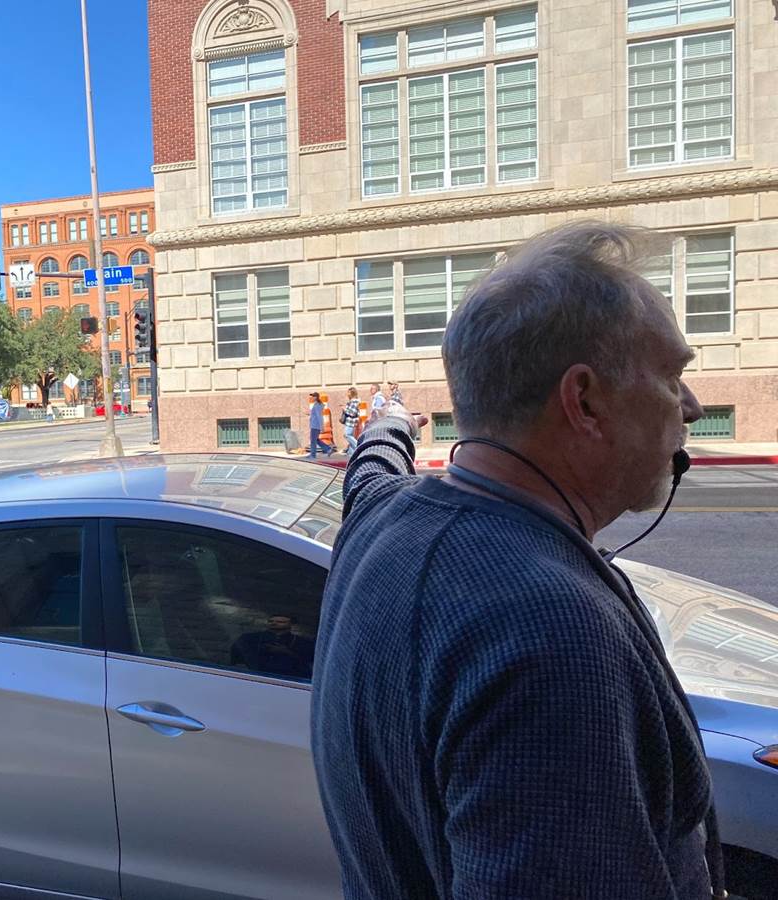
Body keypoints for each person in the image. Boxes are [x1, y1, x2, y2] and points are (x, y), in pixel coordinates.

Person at [311, 222, 720, 899]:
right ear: (584, 401)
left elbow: (370, 471)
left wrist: (389, 424)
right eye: (673, 375)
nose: (692, 407)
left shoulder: (381, 519)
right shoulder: (550, 633)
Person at [230, 614, 315, 680]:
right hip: (252, 675)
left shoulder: (302, 642)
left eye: (280, 622)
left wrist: (286, 652)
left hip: (287, 678)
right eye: (271, 621)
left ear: (291, 625)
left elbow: (307, 661)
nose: (274, 623)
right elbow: (237, 653)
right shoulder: (250, 638)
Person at [307, 391, 333, 459]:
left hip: (315, 425)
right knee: (316, 440)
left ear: (316, 397)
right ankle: (328, 449)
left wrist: (322, 427)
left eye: (313, 396)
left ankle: (313, 455)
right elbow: (317, 415)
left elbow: (319, 416)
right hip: (315, 425)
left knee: (313, 440)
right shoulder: (317, 405)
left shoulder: (317, 405)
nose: (311, 397)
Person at [341, 387, 361, 455]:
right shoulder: (351, 401)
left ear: (352, 393)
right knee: (350, 435)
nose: (347, 394)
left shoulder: (355, 402)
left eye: (348, 392)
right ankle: (351, 453)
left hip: (351, 422)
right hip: (349, 421)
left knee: (347, 435)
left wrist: (344, 409)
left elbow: (352, 413)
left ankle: (358, 446)